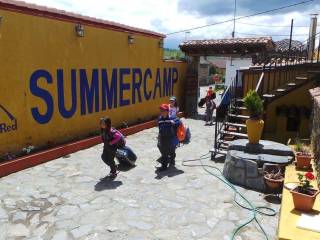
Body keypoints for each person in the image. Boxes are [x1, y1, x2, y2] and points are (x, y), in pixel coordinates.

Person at [157, 104, 180, 171]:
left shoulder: (172, 117)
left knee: (172, 151)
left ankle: (172, 159)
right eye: (161, 110)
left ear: (167, 111)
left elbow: (179, 122)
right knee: (164, 152)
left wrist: (174, 123)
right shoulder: (160, 119)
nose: (161, 112)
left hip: (171, 138)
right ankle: (164, 166)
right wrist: (159, 135)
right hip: (163, 137)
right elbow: (160, 128)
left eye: (163, 110)